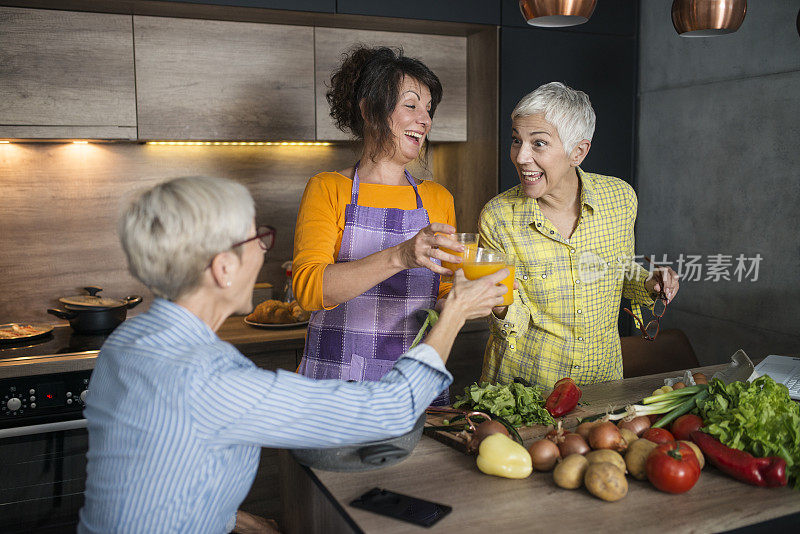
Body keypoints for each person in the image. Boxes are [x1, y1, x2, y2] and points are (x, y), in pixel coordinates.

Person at [78, 176, 507, 533]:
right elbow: (394, 409)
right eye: (257, 238)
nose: (265, 249)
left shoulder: (125, 344)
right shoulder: (211, 377)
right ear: (223, 268)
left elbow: (158, 478)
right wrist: (455, 312)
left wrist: (242, 523)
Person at [478, 82, 680, 390]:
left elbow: (619, 270)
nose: (520, 157)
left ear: (578, 151)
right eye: (517, 141)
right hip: (526, 390)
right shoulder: (498, 217)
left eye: (539, 143)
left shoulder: (620, 199)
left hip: (602, 385)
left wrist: (649, 284)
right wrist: (499, 301)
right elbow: (510, 324)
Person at [293, 46, 466, 404]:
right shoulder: (328, 188)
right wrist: (401, 255)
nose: (425, 119)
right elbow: (309, 290)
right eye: (411, 104)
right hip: (338, 385)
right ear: (370, 107)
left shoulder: (438, 199)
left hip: (416, 384)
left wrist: (471, 296)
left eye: (429, 110)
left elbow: (444, 290)